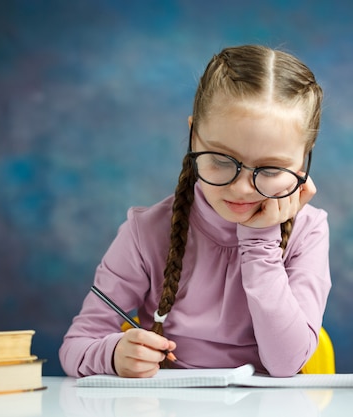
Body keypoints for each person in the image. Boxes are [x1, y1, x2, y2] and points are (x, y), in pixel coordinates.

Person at [60, 44, 331, 378]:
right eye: (220, 160)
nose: (243, 188)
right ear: (193, 136)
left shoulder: (309, 230)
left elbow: (287, 363)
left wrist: (259, 241)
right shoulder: (145, 231)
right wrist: (113, 354)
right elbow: (75, 347)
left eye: (272, 170)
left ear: (304, 160)